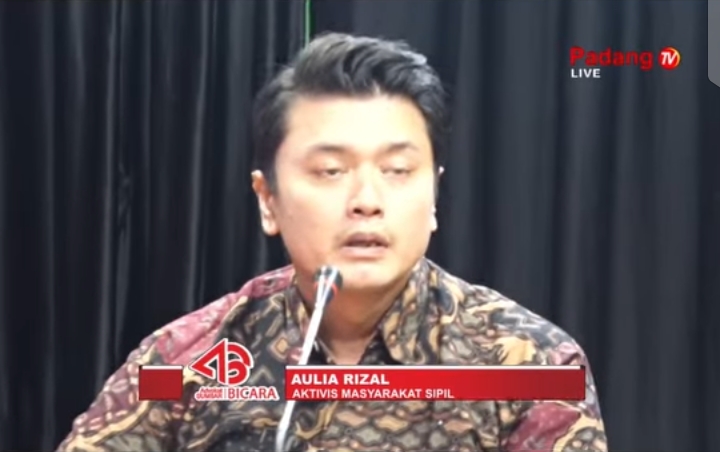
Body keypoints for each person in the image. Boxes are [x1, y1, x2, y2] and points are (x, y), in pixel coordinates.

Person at [57, 32, 607, 452]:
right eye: (330, 171)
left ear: (434, 194)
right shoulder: (185, 362)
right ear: (268, 200)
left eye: (397, 170)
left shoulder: (531, 366)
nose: (366, 200)